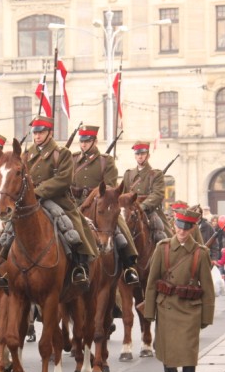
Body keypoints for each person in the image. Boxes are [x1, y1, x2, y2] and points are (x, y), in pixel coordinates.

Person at [143, 206, 215, 372]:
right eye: (179, 226)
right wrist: (149, 312)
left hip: (190, 308)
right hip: (166, 306)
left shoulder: (201, 253)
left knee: (189, 352)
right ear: (174, 226)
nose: (182, 231)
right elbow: (152, 282)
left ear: (192, 229)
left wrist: (206, 316)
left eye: (187, 227)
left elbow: (207, 288)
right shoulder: (162, 248)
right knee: (168, 350)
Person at [18, 116, 99, 284]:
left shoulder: (62, 154)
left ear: (50, 133)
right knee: (9, 229)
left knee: (72, 226)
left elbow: (64, 179)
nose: (37, 136)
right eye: (35, 132)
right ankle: (6, 267)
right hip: (29, 201)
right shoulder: (26, 154)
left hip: (56, 199)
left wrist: (39, 192)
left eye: (41, 132)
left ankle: (80, 264)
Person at [70, 125, 138, 284]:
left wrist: (93, 197)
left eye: (87, 141)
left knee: (120, 226)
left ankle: (129, 265)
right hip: (76, 205)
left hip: (100, 203)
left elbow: (110, 187)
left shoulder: (105, 161)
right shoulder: (73, 159)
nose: (84, 144)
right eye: (82, 141)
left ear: (95, 141)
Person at [121, 141, 173, 241]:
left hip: (150, 211)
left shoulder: (156, 174)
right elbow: (124, 194)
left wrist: (143, 206)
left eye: (142, 154)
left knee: (166, 237)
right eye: (137, 154)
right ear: (135, 156)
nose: (140, 156)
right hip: (131, 211)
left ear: (148, 156)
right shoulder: (128, 174)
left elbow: (157, 194)